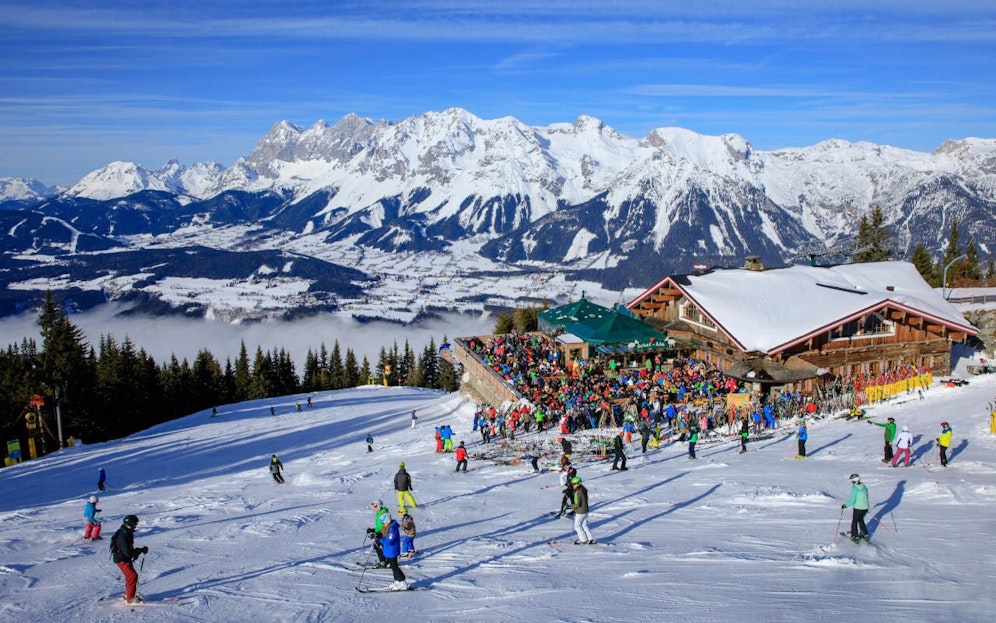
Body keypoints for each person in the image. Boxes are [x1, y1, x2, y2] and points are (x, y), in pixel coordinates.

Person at [111, 515, 148, 604]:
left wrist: (138, 551)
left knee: (130, 576)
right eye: (135, 523)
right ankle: (130, 598)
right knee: (132, 576)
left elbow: (129, 550)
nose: (136, 525)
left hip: (125, 558)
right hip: (122, 559)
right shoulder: (123, 535)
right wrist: (139, 551)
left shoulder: (126, 531)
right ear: (131, 524)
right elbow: (128, 552)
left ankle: (128, 593)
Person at [380, 515, 408, 590]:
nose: (383, 524)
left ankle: (402, 582)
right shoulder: (388, 527)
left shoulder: (392, 529)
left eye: (383, 522)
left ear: (387, 521)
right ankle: (397, 582)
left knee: (394, 566)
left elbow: (389, 542)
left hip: (392, 550)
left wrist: (380, 539)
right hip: (389, 550)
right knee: (392, 566)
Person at [841, 473, 869, 542]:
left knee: (854, 521)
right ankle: (864, 534)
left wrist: (845, 506)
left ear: (854, 481)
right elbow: (866, 496)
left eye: (851, 481)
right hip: (865, 508)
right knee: (861, 520)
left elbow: (852, 500)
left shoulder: (855, 488)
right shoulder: (864, 486)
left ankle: (855, 536)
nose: (851, 483)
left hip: (858, 508)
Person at [366, 500, 392, 568]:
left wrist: (380, 534)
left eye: (375, 506)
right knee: (377, 546)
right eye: (373, 507)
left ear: (379, 506)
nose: (374, 508)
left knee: (384, 547)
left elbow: (387, 525)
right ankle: (384, 561)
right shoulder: (380, 513)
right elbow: (380, 526)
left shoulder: (384, 514)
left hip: (385, 534)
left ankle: (388, 562)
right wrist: (373, 530)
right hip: (381, 533)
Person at [570, 476, 595, 544]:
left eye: (573, 484)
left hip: (581, 511)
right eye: (572, 484)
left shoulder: (579, 492)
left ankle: (583, 540)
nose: (572, 485)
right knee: (584, 525)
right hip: (585, 510)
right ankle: (590, 539)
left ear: (578, 483)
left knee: (577, 526)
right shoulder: (582, 489)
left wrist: (570, 506)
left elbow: (578, 504)